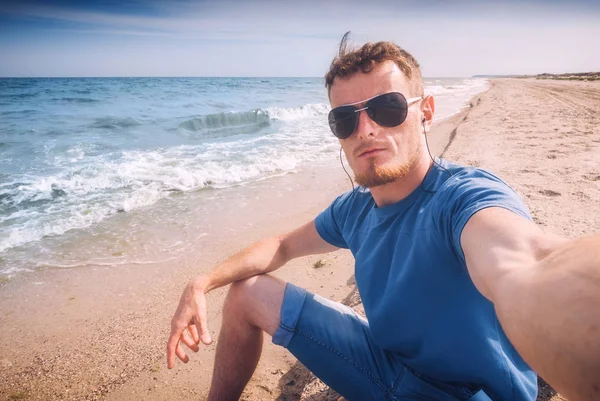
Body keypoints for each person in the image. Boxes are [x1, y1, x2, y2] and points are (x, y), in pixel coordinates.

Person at [166, 35, 600, 401]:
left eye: (387, 108)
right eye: (345, 119)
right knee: (245, 292)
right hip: (386, 368)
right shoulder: (354, 208)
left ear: (425, 111)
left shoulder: (463, 199)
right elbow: (281, 245)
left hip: (466, 393)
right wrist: (202, 281)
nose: (367, 129)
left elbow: (526, 261)